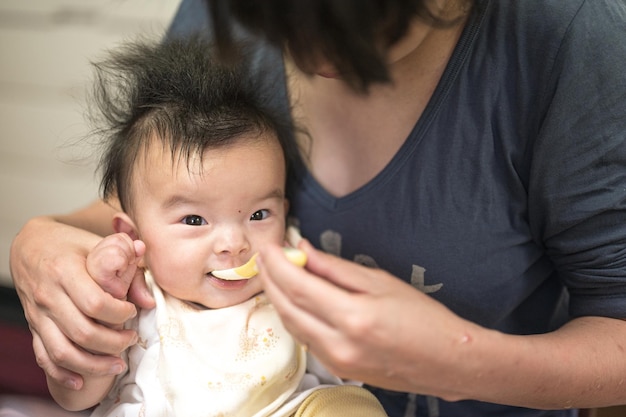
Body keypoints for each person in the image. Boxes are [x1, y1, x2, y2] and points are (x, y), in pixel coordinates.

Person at [9, 0, 626, 416]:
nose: (312, 59)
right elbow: (143, 205)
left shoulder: (575, 38)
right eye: (283, 24)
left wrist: (463, 361)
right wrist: (45, 240)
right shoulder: (142, 300)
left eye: (260, 214)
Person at [44, 34, 387, 417]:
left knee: (350, 406)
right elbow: (75, 396)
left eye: (259, 215)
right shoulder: (133, 300)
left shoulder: (291, 276)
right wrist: (99, 305)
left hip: (284, 409)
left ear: (284, 211)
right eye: (194, 220)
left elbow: (344, 361)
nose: (234, 243)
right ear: (132, 236)